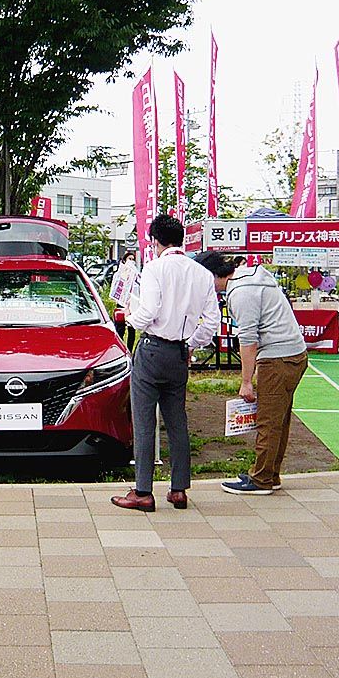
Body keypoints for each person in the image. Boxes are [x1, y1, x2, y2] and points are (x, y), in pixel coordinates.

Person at [111, 215, 220, 512]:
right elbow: (212, 323)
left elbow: (148, 312)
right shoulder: (201, 274)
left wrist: (128, 316)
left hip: (152, 349)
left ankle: (143, 491)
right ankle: (179, 489)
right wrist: (191, 343)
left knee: (145, 422)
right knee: (177, 421)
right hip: (179, 354)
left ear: (155, 241)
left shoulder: (154, 269)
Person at [196, 253, 309, 495]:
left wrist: (246, 382)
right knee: (278, 419)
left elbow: (248, 340)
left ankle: (260, 480)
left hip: (277, 358)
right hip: (294, 355)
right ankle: (269, 473)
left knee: (267, 421)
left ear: (211, 276)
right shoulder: (251, 276)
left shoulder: (241, 293)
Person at [110, 250, 139, 350]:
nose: (131, 262)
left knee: (131, 330)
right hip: (121, 304)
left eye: (133, 260)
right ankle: (120, 348)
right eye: (129, 259)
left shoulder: (136, 275)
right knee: (120, 328)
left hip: (132, 305)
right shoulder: (119, 273)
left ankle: (129, 349)